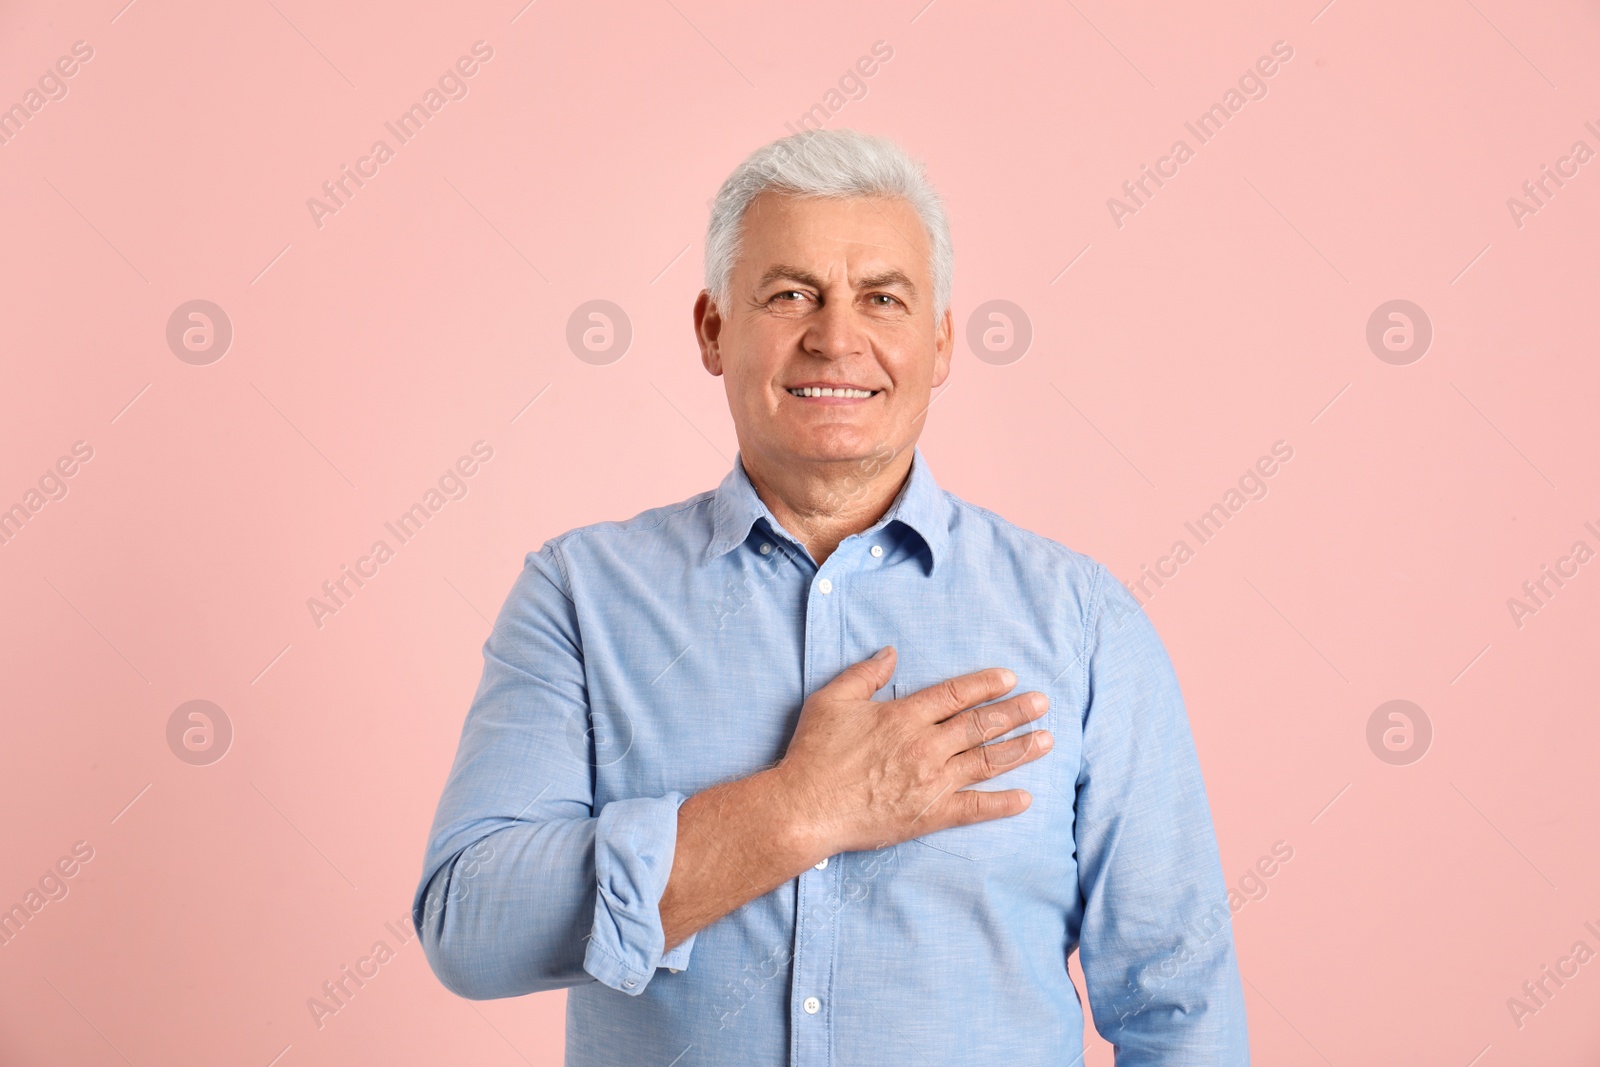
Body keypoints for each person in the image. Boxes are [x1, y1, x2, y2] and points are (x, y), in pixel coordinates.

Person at [413, 127, 1249, 1065]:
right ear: (713, 330)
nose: (836, 337)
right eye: (790, 294)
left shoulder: (1085, 624)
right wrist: (794, 811)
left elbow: (1180, 1008)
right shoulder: (579, 596)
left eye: (881, 298)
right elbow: (469, 923)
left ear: (938, 343)